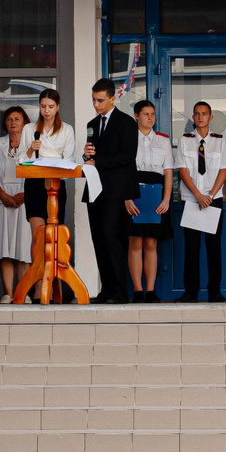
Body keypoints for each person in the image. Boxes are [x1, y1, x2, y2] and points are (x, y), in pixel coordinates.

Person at [18, 90, 80, 301]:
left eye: (50, 107)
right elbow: (20, 160)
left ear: (58, 107)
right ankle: (37, 287)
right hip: (34, 183)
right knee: (38, 236)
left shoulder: (67, 130)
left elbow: (69, 159)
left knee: (55, 236)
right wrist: (29, 150)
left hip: (55, 184)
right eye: (43, 106)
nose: (46, 111)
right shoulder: (29, 129)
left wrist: (51, 162)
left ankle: (55, 285)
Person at [84, 79, 141, 305]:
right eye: (93, 100)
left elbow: (127, 156)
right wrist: (87, 155)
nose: (96, 105)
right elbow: (91, 158)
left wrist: (97, 162)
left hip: (117, 189)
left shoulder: (126, 123)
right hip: (95, 188)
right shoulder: (91, 123)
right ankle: (106, 289)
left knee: (111, 236)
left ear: (112, 98)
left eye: (100, 101)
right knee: (98, 238)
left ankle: (120, 290)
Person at [177, 99, 226, 303]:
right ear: (193, 117)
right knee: (191, 248)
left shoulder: (219, 141)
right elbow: (182, 171)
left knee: (213, 248)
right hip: (192, 200)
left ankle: (214, 292)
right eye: (197, 114)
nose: (201, 117)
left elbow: (224, 170)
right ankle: (191, 292)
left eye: (204, 113)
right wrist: (198, 196)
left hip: (213, 199)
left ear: (211, 117)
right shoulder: (185, 141)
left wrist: (209, 195)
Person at [0, 105, 34, 299]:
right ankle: (8, 293)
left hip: (24, 201)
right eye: (9, 119)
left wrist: (25, 194)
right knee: (4, 250)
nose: (13, 123)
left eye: (17, 119)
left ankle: (23, 293)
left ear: (25, 122)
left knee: (22, 249)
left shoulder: (33, 145)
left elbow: (38, 172)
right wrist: (2, 195)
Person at [127, 100, 175, 301]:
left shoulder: (163, 141)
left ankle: (151, 289)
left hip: (156, 195)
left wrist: (166, 200)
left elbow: (168, 173)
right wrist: (126, 199)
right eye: (146, 114)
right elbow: (124, 171)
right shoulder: (128, 139)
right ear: (136, 116)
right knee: (135, 243)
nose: (150, 118)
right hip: (134, 192)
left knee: (151, 244)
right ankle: (138, 290)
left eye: (153, 114)